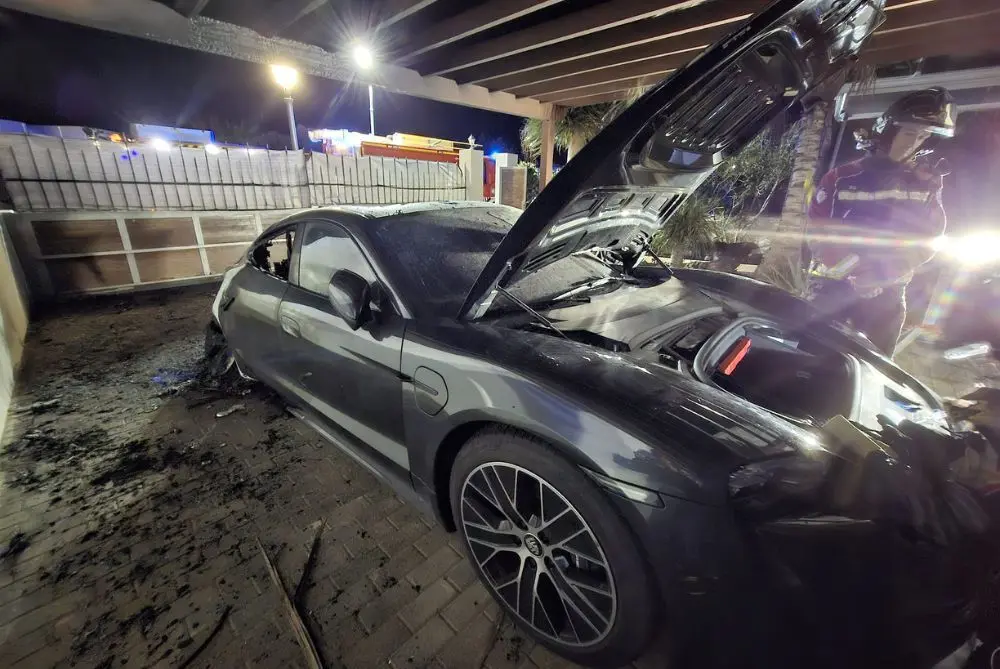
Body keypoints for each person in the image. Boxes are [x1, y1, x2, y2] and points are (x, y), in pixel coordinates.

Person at [805, 87, 955, 357]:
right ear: (888, 132)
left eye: (923, 136)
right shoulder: (841, 178)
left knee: (874, 368)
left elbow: (930, 238)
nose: (914, 143)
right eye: (909, 133)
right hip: (832, 290)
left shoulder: (928, 184)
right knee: (810, 357)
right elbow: (821, 232)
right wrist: (858, 274)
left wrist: (882, 275)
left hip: (888, 295)